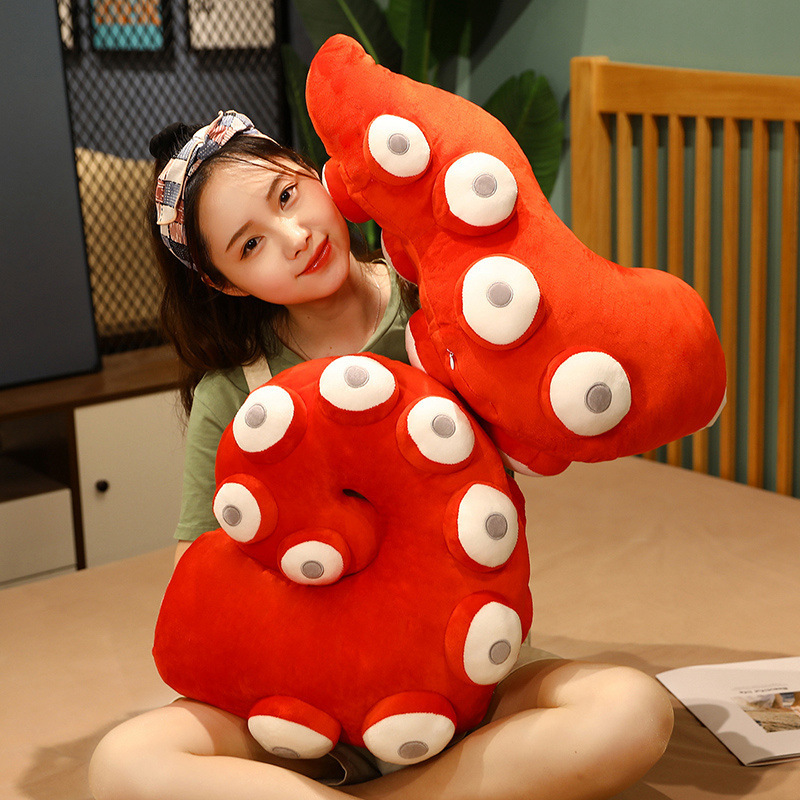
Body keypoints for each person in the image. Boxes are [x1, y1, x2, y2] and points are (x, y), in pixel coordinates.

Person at [88, 111, 674, 800]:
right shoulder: (235, 394)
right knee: (124, 762)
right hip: (300, 706)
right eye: (250, 245)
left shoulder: (444, 309)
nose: (295, 237)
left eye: (286, 196)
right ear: (227, 283)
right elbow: (201, 576)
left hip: (460, 670)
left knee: (632, 711)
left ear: (311, 172)